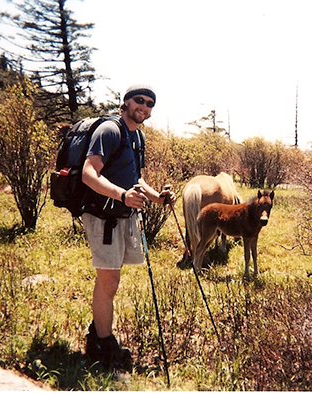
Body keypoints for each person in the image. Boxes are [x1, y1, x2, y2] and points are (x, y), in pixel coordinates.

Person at [81, 84, 176, 371]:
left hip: (122, 214)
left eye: (149, 104)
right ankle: (101, 344)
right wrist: (122, 195)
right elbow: (88, 173)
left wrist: (157, 197)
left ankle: (99, 330)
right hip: (103, 216)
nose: (144, 107)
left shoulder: (138, 136)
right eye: (139, 100)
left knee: (110, 281)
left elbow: (137, 179)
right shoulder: (110, 131)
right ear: (126, 102)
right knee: (109, 281)